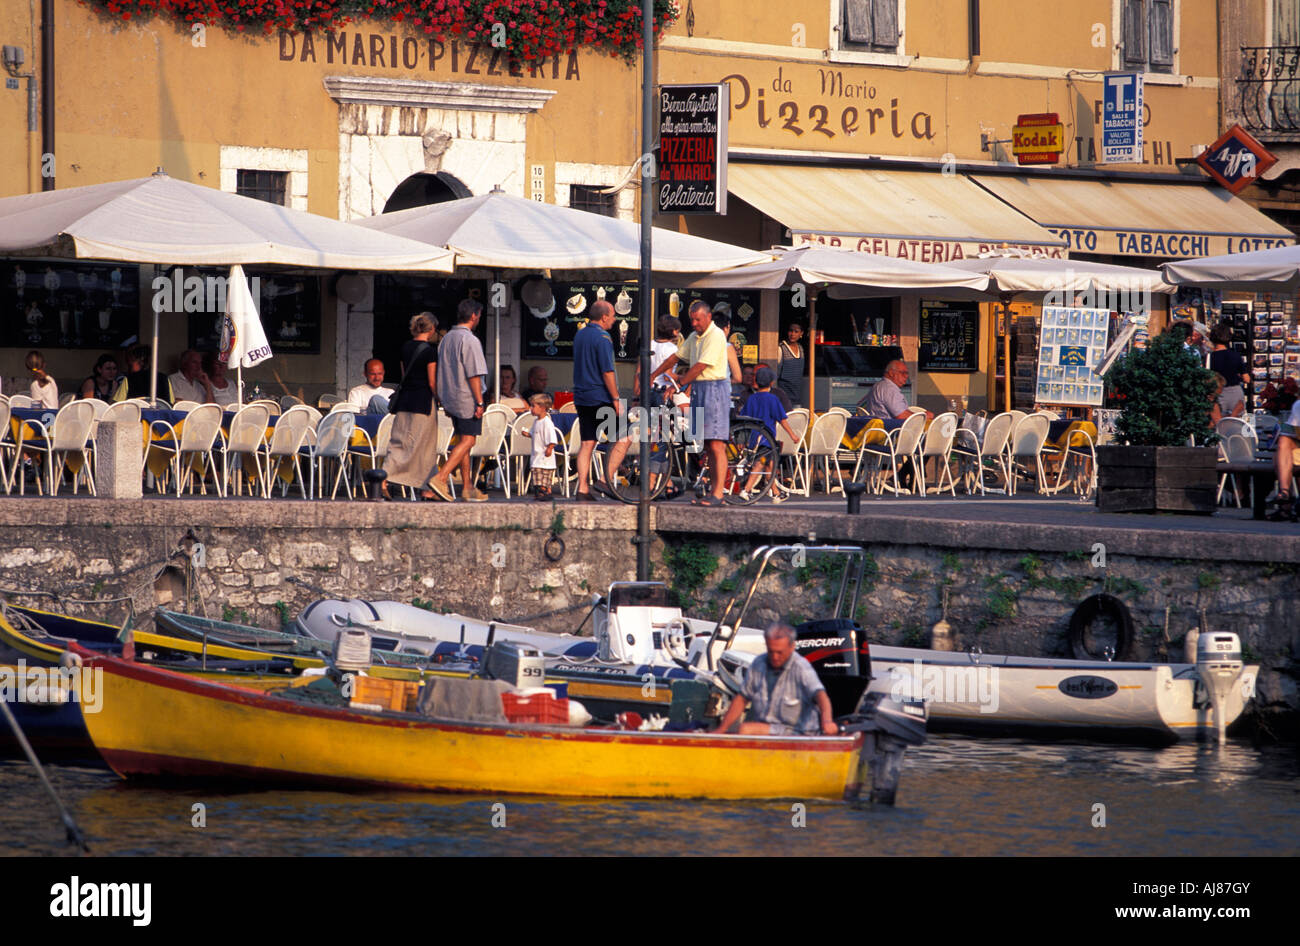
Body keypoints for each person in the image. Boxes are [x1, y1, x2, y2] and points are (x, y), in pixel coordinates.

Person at [650, 300, 731, 506]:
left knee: (716, 444)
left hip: (713, 387)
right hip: (700, 389)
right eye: (692, 320)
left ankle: (718, 494)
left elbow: (700, 366)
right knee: (706, 444)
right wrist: (654, 374)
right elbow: (675, 357)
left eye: (698, 319)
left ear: (708, 317)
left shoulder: (716, 335)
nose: (694, 323)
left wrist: (678, 384)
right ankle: (713, 491)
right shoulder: (695, 337)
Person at [715, 623, 837, 736]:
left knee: (745, 730)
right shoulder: (759, 663)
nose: (774, 657)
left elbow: (821, 696)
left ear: (792, 647)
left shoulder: (801, 667)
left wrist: (827, 721)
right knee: (740, 730)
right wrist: (721, 730)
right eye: (771, 651)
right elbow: (741, 699)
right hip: (771, 728)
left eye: (779, 652)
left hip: (801, 732)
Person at [428, 300, 489, 503]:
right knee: (469, 440)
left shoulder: (446, 339)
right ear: (474, 315)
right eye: (479, 315)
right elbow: (474, 374)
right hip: (466, 397)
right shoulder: (470, 340)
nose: (479, 318)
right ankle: (441, 477)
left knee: (464, 440)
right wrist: (479, 402)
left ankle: (468, 486)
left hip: (450, 396)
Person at [572, 299, 629, 501]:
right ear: (604, 317)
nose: (614, 320)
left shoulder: (580, 335)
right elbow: (607, 371)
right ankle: (605, 480)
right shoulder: (603, 338)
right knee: (625, 436)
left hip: (581, 396)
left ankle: (582, 489)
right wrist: (615, 399)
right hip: (600, 397)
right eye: (613, 316)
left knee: (587, 443)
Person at [384, 313, 440, 502]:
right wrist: (441, 399)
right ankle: (425, 488)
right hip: (423, 401)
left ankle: (384, 479)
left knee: (399, 441)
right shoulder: (431, 351)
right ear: (431, 329)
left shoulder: (405, 347)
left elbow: (403, 375)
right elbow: (432, 382)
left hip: (405, 399)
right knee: (425, 445)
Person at [738, 366, 795, 503]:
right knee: (760, 464)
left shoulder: (751, 398)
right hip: (766, 439)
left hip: (754, 438)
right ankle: (746, 490)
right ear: (771, 383)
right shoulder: (772, 399)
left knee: (769, 465)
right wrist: (792, 435)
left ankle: (776, 493)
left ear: (756, 381)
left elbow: (743, 415)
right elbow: (782, 419)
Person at [859, 359, 933, 421]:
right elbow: (901, 416)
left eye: (907, 373)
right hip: (891, 432)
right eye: (903, 373)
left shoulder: (878, 385)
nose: (906, 376)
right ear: (891, 373)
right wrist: (923, 416)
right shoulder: (889, 388)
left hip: (880, 430)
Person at [520, 393, 560, 501]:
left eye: (533, 406)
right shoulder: (536, 422)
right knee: (537, 476)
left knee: (545, 476)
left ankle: (545, 491)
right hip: (537, 455)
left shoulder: (547, 422)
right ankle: (540, 492)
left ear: (542, 408)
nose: (531, 409)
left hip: (544, 457)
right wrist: (527, 434)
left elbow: (551, 437)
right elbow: (535, 434)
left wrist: (550, 447)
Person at [1208, 325, 1248, 419]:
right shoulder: (1236, 355)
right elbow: (1246, 379)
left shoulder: (1209, 357)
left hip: (1217, 392)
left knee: (1219, 424)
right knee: (1238, 424)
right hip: (1235, 392)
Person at [1270, 398, 1300, 522]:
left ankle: (1285, 505)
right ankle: (1285, 492)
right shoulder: (1298, 405)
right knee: (1283, 442)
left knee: (1279, 456)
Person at [776, 322, 806, 406]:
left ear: (801, 333)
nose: (792, 334)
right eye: (791, 331)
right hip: (784, 394)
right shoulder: (781, 348)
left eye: (796, 331)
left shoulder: (800, 348)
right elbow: (777, 372)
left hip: (797, 394)